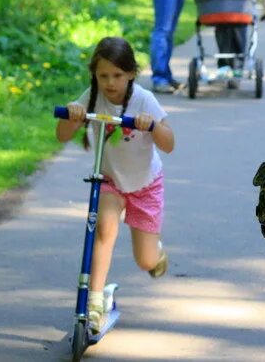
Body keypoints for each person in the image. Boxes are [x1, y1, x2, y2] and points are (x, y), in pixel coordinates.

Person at [55, 37, 177, 334]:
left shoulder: (144, 99)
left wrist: (152, 125)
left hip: (145, 184)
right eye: (103, 76)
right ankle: (95, 301)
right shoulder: (92, 96)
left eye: (118, 75)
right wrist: (74, 115)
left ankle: (155, 252)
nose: (110, 83)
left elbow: (169, 144)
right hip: (109, 180)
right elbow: (62, 135)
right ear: (95, 76)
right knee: (104, 230)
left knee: (145, 260)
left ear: (132, 73)